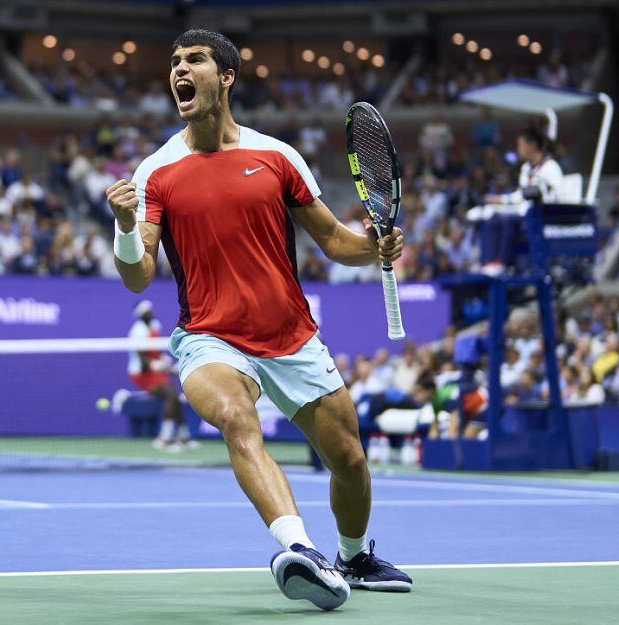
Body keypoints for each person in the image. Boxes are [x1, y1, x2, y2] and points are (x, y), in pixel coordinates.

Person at [104, 29, 409, 611]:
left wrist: (376, 249)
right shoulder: (156, 172)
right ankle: (299, 550)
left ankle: (354, 555)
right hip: (209, 337)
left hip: (290, 336)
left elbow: (334, 242)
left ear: (226, 77)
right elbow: (138, 274)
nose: (179, 70)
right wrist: (122, 226)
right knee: (236, 418)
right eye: (173, 63)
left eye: (194, 60)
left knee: (348, 457)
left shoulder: (277, 156)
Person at [479, 127, 565, 275]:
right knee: (492, 220)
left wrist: (537, 195)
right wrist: (499, 200)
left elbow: (555, 196)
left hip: (544, 216)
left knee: (508, 221)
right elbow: (521, 194)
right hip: (525, 213)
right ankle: (490, 262)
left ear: (531, 146)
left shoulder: (551, 168)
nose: (518, 149)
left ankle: (503, 263)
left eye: (520, 145)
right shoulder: (526, 168)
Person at [127, 300, 194, 451]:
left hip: (154, 371)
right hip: (141, 373)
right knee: (170, 394)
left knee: (174, 396)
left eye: (151, 310)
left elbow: (154, 353)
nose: (151, 313)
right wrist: (157, 365)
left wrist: (164, 363)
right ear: (141, 315)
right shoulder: (138, 331)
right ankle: (164, 438)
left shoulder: (155, 325)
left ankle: (184, 436)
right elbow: (142, 360)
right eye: (147, 312)